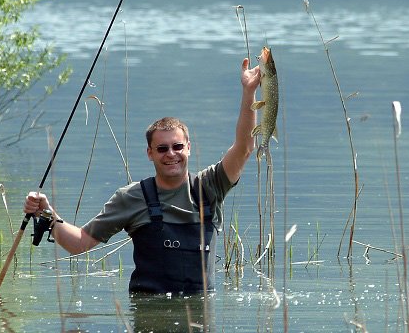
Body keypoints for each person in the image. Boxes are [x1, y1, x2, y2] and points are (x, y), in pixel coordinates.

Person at [24, 56, 260, 294]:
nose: (171, 154)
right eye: (162, 149)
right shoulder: (131, 198)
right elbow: (80, 242)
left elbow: (244, 147)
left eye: (177, 146)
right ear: (149, 153)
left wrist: (249, 92)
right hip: (147, 315)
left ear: (188, 148)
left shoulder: (210, 186)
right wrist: (46, 213)